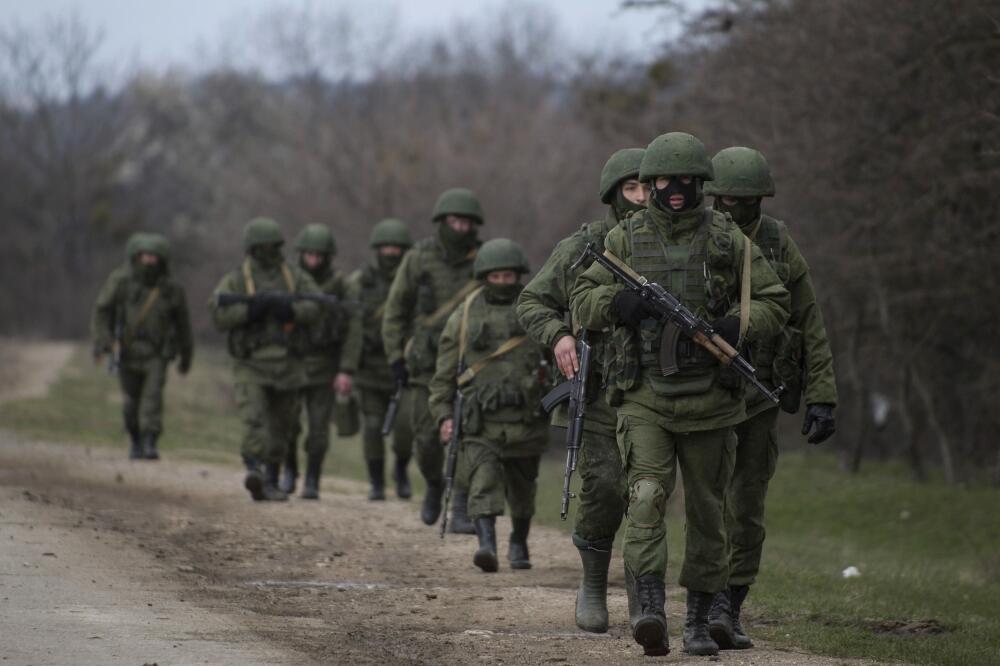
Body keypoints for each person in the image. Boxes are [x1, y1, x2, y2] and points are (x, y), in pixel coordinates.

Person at [571, 132, 789, 656]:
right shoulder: (624, 240)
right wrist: (620, 304)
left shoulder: (727, 239)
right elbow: (581, 298)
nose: (675, 190)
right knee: (645, 496)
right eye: (664, 181)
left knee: (709, 514)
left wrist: (738, 325)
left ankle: (696, 620)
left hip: (713, 401)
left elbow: (775, 300)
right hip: (646, 395)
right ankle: (648, 608)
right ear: (648, 184)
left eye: (686, 182)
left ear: (701, 184)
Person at [703, 146, 838, 650]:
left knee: (747, 503)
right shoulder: (701, 237)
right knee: (708, 500)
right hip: (705, 391)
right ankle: (705, 599)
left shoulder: (780, 243)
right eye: (726, 198)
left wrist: (822, 395)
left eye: (745, 199)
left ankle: (731, 605)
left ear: (761, 199)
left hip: (761, 391)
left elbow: (809, 321)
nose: (734, 208)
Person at [516, 147, 648, 633]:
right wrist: (559, 334)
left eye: (648, 187)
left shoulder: (672, 248)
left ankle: (643, 596)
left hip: (657, 391)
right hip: (597, 391)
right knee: (606, 487)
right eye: (631, 189)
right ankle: (593, 583)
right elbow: (531, 301)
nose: (641, 197)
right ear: (614, 194)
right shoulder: (587, 245)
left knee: (648, 494)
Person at [429, 239, 549, 572]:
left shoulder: (536, 309)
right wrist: (442, 416)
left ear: (518, 275)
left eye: (508, 276)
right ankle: (487, 544)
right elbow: (443, 374)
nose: (501, 282)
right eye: (494, 276)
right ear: (484, 276)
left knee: (523, 489)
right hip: (481, 422)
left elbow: (558, 359)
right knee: (482, 480)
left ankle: (519, 541)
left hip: (527, 418)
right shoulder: (465, 315)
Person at [381, 188, 484, 532]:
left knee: (469, 436)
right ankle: (435, 484)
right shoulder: (418, 258)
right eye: (454, 220)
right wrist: (396, 357)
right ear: (442, 221)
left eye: (466, 222)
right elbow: (395, 311)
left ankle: (460, 506)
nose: (460, 227)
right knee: (425, 440)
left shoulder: (484, 259)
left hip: (472, 365)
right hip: (425, 366)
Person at [209, 217, 320, 502]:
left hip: (288, 364)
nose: (268, 251)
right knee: (254, 418)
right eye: (262, 246)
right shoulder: (237, 279)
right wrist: (250, 311)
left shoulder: (293, 276)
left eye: (273, 246)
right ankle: (254, 469)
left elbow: (317, 305)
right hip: (251, 364)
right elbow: (218, 313)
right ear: (252, 248)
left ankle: (271, 476)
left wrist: (291, 310)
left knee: (283, 425)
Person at [91, 231, 193, 460]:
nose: (149, 261)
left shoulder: (171, 288)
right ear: (136, 256)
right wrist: (105, 340)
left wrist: (187, 356)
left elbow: (183, 325)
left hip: (157, 354)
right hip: (126, 351)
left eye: (154, 256)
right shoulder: (121, 281)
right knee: (130, 401)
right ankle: (135, 438)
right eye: (145, 256)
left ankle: (149, 441)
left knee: (152, 397)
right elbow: (102, 311)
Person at [338, 218, 415, 500]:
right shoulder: (360, 282)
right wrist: (346, 369)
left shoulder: (415, 282)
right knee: (372, 426)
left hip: (405, 369)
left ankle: (402, 471)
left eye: (397, 247)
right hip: (369, 369)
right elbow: (351, 328)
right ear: (377, 249)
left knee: (406, 428)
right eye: (386, 247)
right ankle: (376, 482)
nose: (392, 253)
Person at [279, 223, 348, 500]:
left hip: (324, 365)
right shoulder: (288, 280)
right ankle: (289, 470)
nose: (314, 261)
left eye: (320, 256)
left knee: (319, 429)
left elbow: (350, 330)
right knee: (288, 424)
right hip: (293, 363)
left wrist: (346, 368)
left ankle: (312, 479)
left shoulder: (339, 285)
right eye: (310, 255)